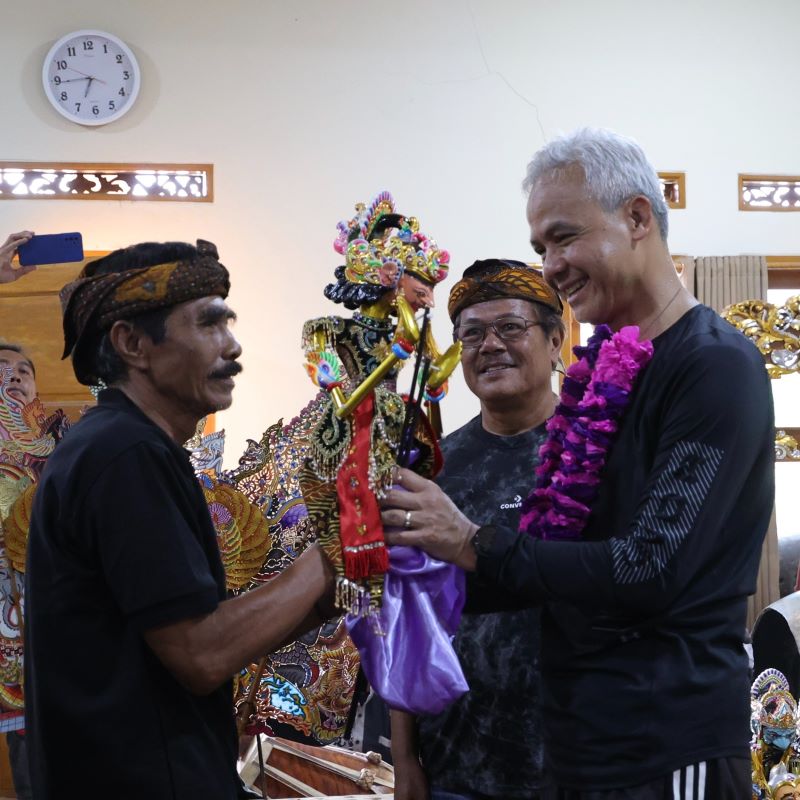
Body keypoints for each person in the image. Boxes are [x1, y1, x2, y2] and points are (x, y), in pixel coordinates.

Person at [381, 128, 775, 799]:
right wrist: (385, 576)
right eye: (541, 248)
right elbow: (558, 564)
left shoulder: (712, 364)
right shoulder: (601, 377)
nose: (552, 265)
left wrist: (473, 542)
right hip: (578, 750)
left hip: (665, 747)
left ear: (637, 218)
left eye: (564, 237)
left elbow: (648, 567)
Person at [24, 240, 335, 799]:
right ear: (133, 343)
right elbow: (200, 653)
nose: (232, 346)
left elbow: (206, 640)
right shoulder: (123, 455)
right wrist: (335, 547)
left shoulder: (128, 446)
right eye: (209, 325)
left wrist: (339, 584)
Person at [391, 259, 564, 800]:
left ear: (555, 339)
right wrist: (403, 760)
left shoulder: (597, 451)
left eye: (510, 327)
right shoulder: (433, 468)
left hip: (578, 762)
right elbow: (403, 616)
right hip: (456, 763)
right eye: (471, 333)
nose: (490, 345)